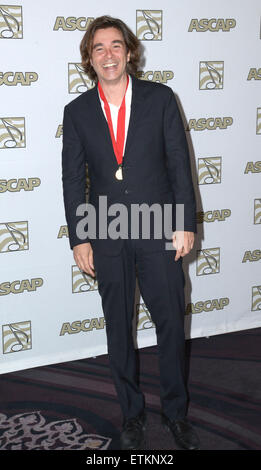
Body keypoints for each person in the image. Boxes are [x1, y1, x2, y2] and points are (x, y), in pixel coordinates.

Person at [62, 15, 200, 450]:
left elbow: (179, 163)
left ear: (129, 52)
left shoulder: (160, 99)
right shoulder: (77, 111)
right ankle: (132, 413)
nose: (108, 54)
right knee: (118, 326)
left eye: (116, 46)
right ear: (89, 56)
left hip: (159, 224)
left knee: (170, 325)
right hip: (106, 230)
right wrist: (80, 237)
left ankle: (175, 412)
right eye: (99, 47)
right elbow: (73, 179)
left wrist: (184, 223)